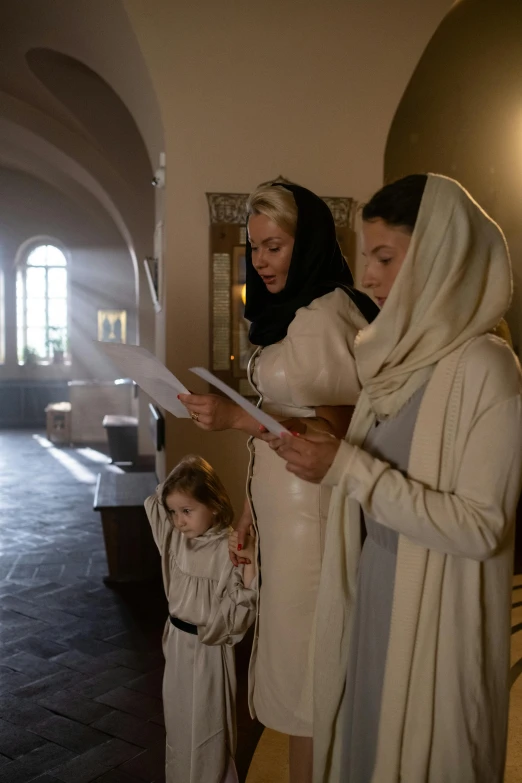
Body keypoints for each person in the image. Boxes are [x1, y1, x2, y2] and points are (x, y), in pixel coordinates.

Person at [268, 173, 522, 783]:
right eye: (366, 259)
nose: (370, 278)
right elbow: (377, 482)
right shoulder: (396, 363)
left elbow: (480, 526)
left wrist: (349, 467)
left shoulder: (487, 369)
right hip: (373, 593)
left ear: (442, 257)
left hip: (435, 619)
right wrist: (334, 456)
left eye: (385, 258)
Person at [179, 182, 379, 782]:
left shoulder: (326, 316)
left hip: (319, 520)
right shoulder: (294, 315)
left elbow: (345, 427)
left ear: (307, 241)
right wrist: (250, 513)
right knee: (297, 673)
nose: (260, 261)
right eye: (254, 248)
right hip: (287, 518)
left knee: (316, 679)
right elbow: (283, 428)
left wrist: (238, 414)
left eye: (273, 246)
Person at [144, 455, 257, 783]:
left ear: (215, 506)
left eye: (187, 511)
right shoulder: (175, 538)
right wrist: (188, 465)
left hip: (209, 648)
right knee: (179, 723)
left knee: (209, 724)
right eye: (174, 512)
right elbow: (156, 500)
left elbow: (242, 604)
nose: (178, 520)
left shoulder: (227, 549)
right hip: (177, 644)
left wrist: (248, 560)